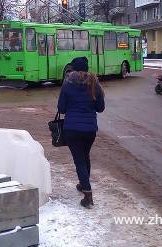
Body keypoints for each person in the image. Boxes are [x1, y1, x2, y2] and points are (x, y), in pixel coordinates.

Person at [57, 57, 105, 209]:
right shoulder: (94, 84)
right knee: (84, 157)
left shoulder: (67, 84)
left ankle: (88, 194)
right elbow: (100, 108)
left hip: (72, 129)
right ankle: (83, 183)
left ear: (74, 69)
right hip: (90, 129)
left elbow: (61, 108)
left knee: (79, 160)